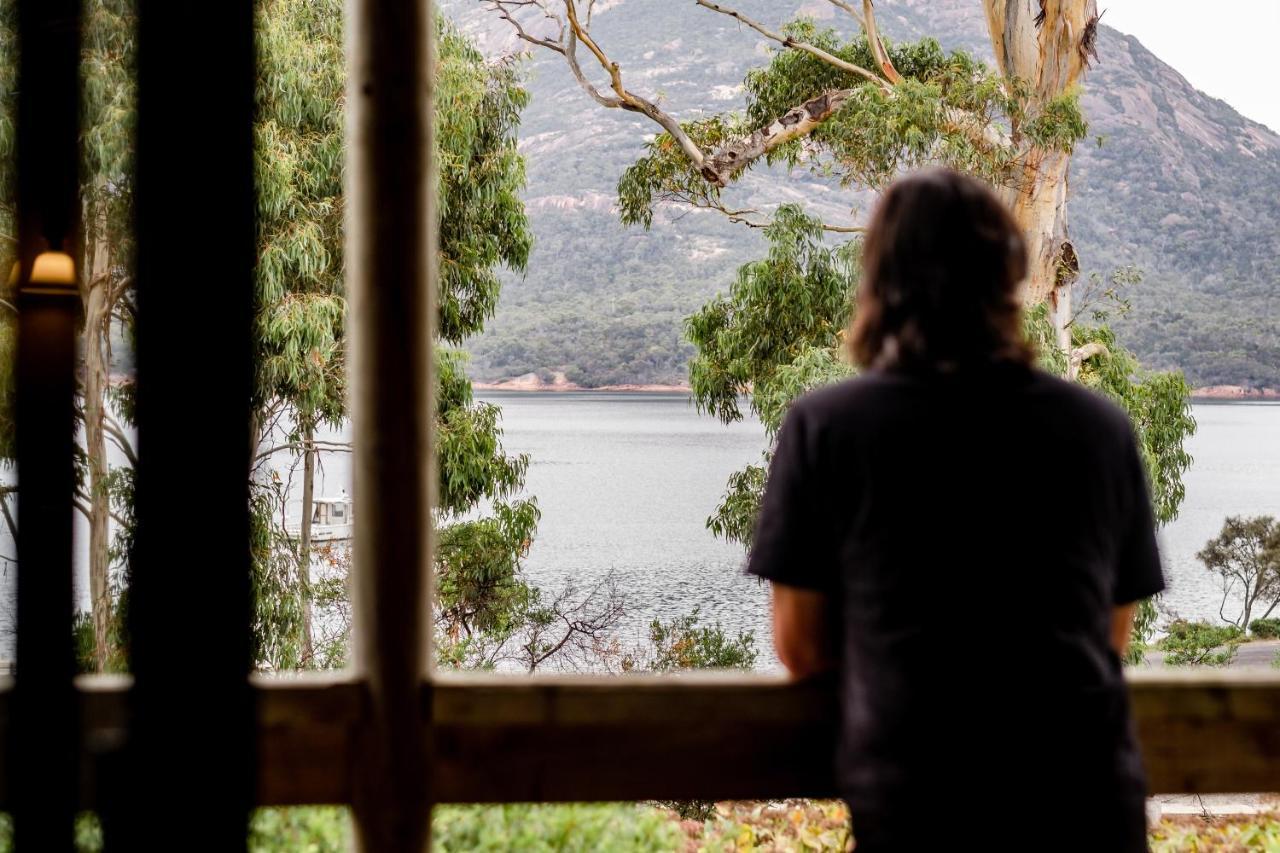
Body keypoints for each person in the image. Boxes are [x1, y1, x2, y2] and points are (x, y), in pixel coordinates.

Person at [747, 168, 1163, 852]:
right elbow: (1109, 634)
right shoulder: (1098, 429)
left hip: (918, 800)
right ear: (1005, 279)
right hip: (1086, 799)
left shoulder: (828, 426)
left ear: (879, 282)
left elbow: (802, 647)